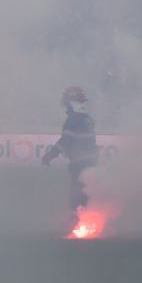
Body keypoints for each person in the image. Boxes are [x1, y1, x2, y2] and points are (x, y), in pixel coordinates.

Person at [42, 86, 99, 215]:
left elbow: (65, 141)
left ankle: (77, 221)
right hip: (91, 163)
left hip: (79, 163)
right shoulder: (87, 119)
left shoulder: (73, 120)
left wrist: (50, 156)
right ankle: (86, 220)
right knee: (88, 192)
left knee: (77, 196)